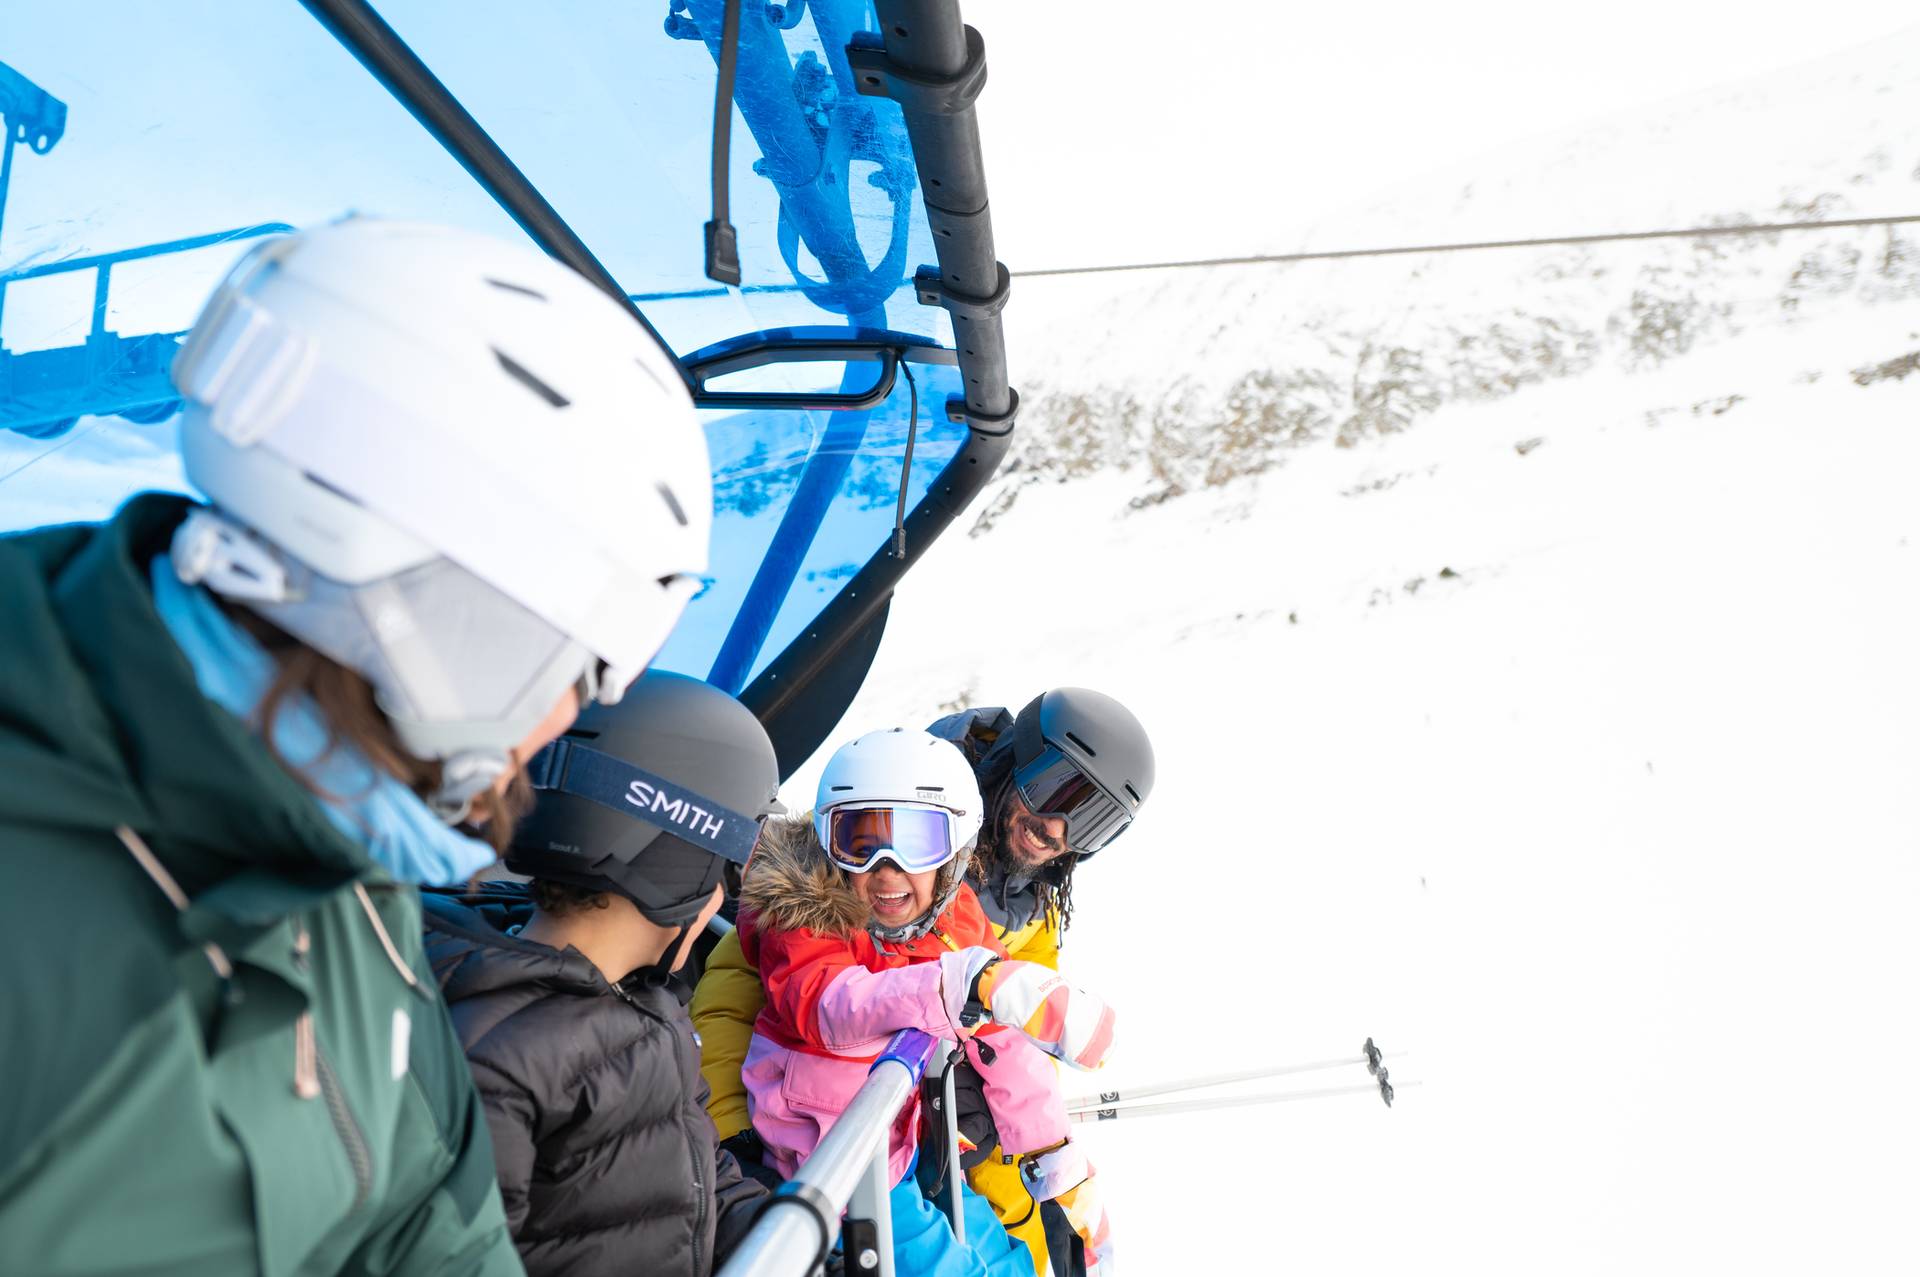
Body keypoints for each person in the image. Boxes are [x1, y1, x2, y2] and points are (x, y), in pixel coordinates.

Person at [0, 217, 711, 1274]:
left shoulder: (350, 879)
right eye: (571, 664)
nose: (567, 717)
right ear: (441, 619)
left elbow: (436, 1226)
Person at [695, 689, 1153, 1273]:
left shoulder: (981, 910)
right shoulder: (810, 903)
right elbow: (820, 1002)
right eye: (861, 842)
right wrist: (729, 1132)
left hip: (905, 1140)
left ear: (956, 851)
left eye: (1089, 820)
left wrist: (1055, 1162)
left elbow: (1009, 1046)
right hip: (832, 1153)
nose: (888, 869)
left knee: (1009, 1256)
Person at [422, 671, 780, 1276]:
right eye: (729, 867)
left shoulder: (651, 1005)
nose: (725, 894)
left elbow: (703, 1182)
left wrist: (799, 1242)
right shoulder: (493, 1066)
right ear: (684, 864)